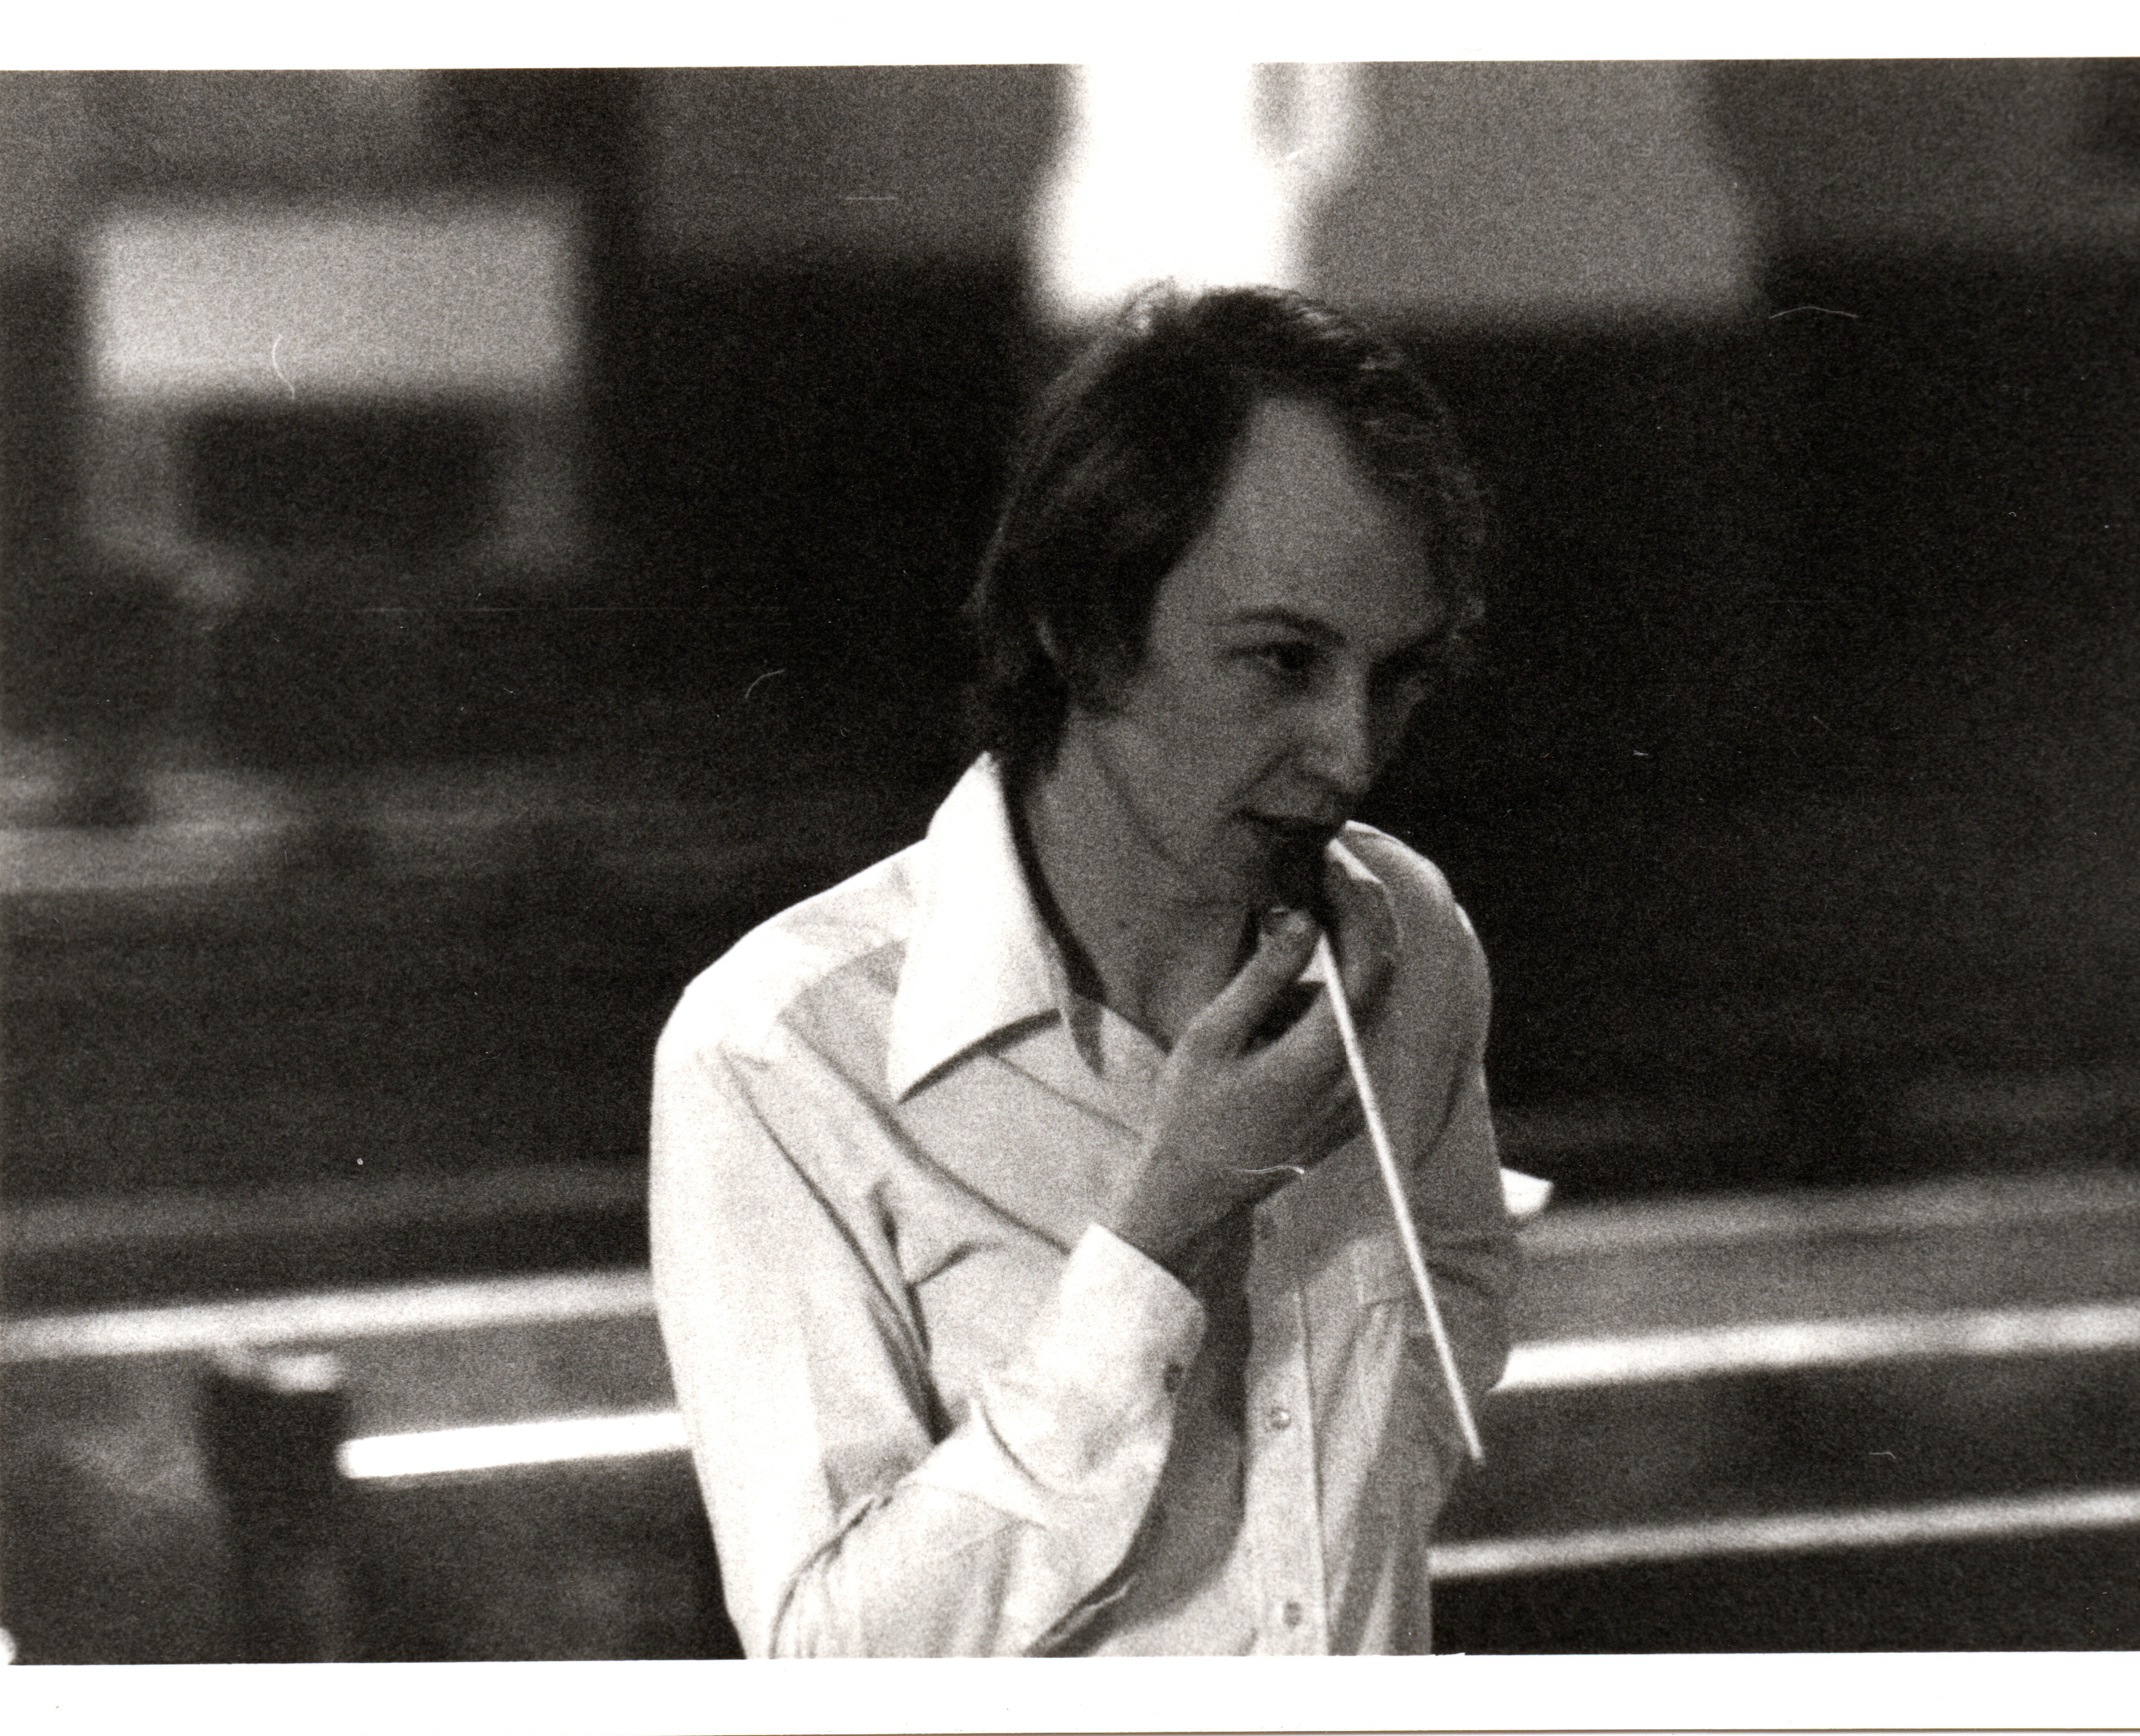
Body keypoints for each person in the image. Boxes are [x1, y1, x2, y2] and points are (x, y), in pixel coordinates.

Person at [650, 284, 1516, 1657]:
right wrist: (1166, 1224)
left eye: (1395, 678)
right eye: (1281, 661)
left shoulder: (1407, 942)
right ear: (1082, 622)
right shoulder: (780, 1050)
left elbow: (1442, 1371)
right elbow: (829, 1668)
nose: (1349, 756)